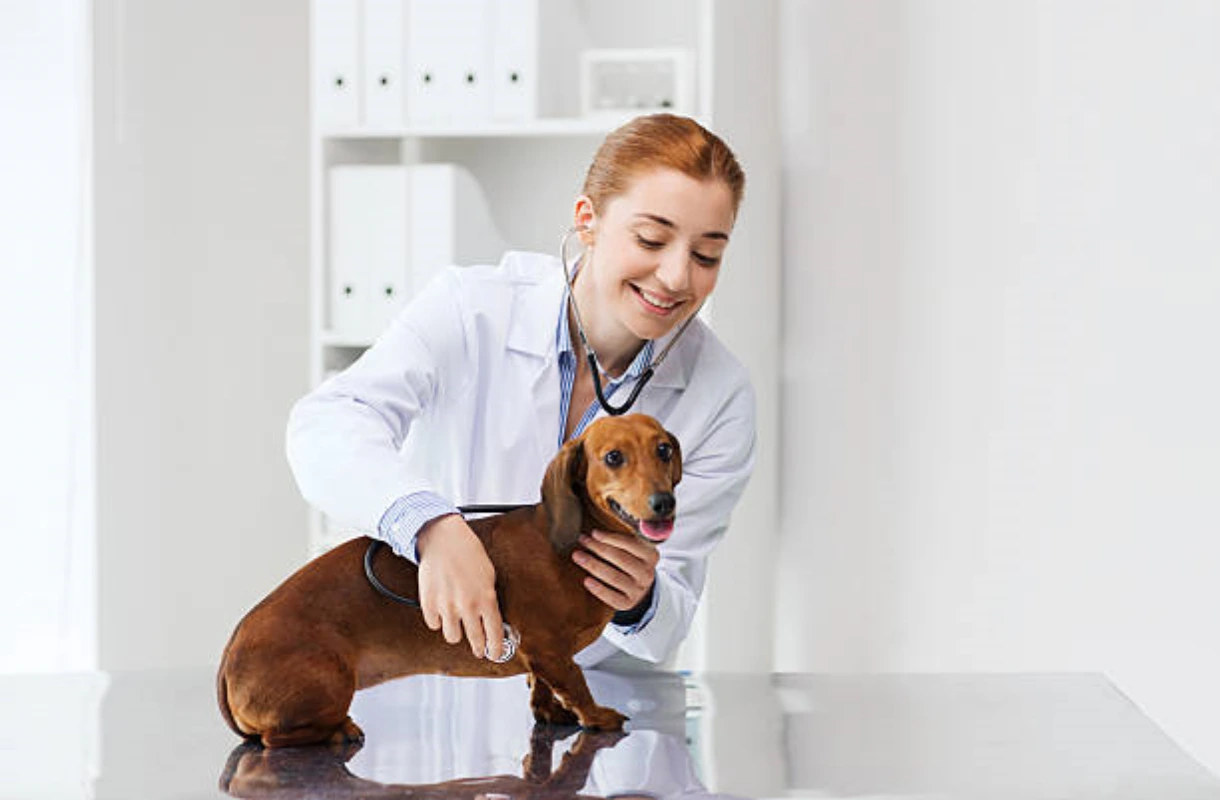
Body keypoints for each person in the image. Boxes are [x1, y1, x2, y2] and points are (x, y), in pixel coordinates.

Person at [286, 113, 756, 668]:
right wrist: (429, 525)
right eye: (651, 239)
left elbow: (669, 619)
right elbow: (328, 424)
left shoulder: (720, 394)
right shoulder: (472, 309)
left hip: (578, 700)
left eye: (707, 256)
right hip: (425, 672)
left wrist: (639, 599)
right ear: (588, 220)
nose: (678, 277)